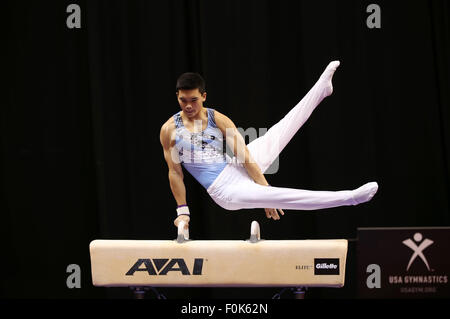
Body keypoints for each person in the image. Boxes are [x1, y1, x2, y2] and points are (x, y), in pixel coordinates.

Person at [160, 61, 379, 230]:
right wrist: (183, 211)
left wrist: (264, 191)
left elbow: (245, 157)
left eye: (194, 100)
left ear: (204, 96)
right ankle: (350, 198)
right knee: (284, 195)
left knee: (277, 132)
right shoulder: (169, 130)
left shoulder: (218, 118)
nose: (188, 106)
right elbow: (175, 173)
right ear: (177, 96)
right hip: (226, 191)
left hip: (235, 167)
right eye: (183, 100)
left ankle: (322, 89)